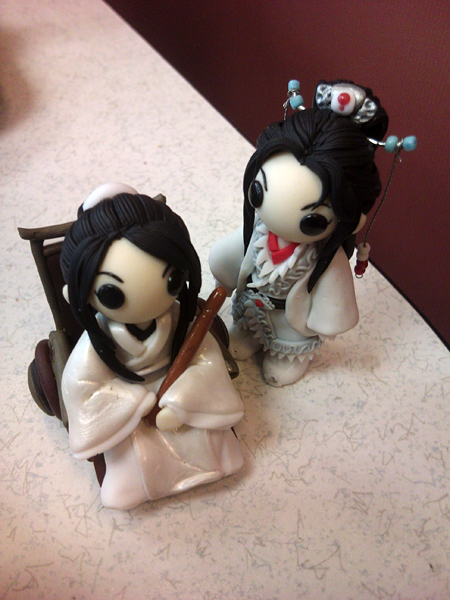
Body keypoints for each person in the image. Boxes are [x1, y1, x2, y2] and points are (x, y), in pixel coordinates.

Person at [60, 184, 244, 510]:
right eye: (112, 294)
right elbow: (81, 385)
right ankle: (133, 482)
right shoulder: (97, 341)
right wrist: (134, 404)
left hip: (179, 392)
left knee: (209, 440)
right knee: (134, 456)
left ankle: (217, 461)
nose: (148, 300)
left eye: (171, 281)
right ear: (77, 296)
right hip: (128, 402)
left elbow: (206, 359)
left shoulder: (180, 319)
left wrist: (181, 400)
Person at [209, 81, 388, 387]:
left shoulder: (322, 258)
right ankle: (248, 335)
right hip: (253, 300)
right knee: (246, 327)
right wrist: (224, 273)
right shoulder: (258, 232)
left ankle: (284, 358)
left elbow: (334, 297)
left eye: (313, 219)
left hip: (290, 317)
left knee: (288, 342)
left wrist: (328, 318)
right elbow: (232, 253)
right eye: (258, 191)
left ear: (352, 219)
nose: (277, 217)